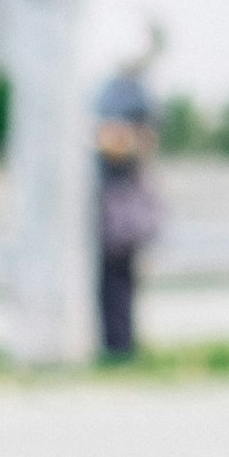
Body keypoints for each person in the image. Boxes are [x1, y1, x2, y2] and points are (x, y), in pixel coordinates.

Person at [92, 48, 162, 361]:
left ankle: (120, 346)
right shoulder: (127, 94)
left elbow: (131, 145)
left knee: (117, 281)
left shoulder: (123, 96)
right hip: (119, 207)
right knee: (116, 282)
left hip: (119, 209)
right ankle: (119, 344)